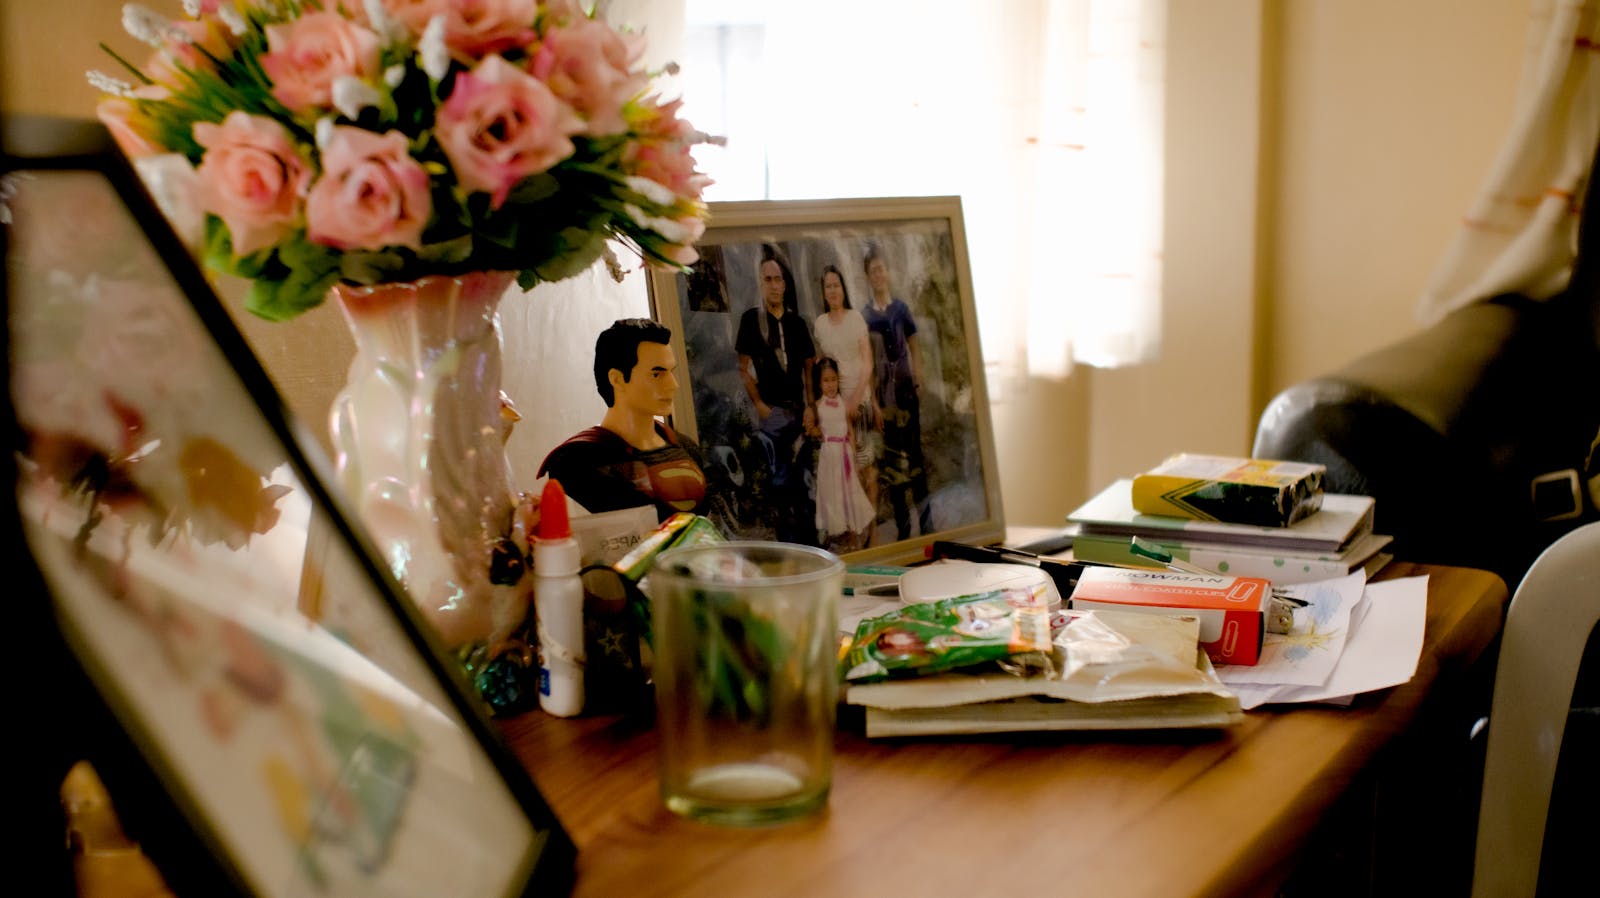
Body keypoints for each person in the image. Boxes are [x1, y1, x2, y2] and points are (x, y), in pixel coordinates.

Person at [537, 319, 708, 523]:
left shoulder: (685, 447)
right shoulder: (574, 461)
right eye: (656, 374)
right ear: (617, 379)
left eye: (671, 372)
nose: (673, 385)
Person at [734, 244, 816, 540]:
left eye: (778, 279)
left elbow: (809, 368)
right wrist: (759, 405)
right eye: (767, 279)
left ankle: (812, 546)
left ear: (785, 283)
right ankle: (789, 549)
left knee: (804, 482)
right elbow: (742, 368)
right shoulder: (751, 320)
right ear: (760, 283)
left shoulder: (797, 323)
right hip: (772, 413)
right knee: (779, 482)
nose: (774, 285)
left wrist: (810, 406)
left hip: (798, 411)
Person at [861, 242, 931, 540]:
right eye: (872, 271)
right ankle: (904, 529)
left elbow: (914, 344)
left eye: (881, 269)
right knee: (892, 465)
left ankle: (926, 525)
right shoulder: (865, 315)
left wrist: (917, 376)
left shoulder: (901, 309)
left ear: (887, 273)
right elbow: (867, 361)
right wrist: (874, 399)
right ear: (868, 277)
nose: (878, 275)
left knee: (915, 458)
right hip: (883, 397)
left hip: (905, 393)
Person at [811, 263, 881, 528]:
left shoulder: (855, 319)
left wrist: (860, 400)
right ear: (823, 291)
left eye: (836, 285)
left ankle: (872, 535)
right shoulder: (820, 324)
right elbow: (822, 366)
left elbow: (868, 364)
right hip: (834, 408)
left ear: (843, 288)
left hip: (857, 401)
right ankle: (853, 534)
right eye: (828, 286)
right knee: (843, 476)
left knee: (865, 471)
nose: (832, 290)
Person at [811, 357, 876, 552]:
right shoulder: (818, 405)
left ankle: (854, 537)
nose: (830, 385)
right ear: (819, 382)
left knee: (850, 494)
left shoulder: (843, 404)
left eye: (833, 380)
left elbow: (849, 431)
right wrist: (816, 432)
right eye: (826, 381)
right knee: (835, 496)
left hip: (844, 454)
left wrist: (854, 456)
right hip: (829, 457)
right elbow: (813, 429)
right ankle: (841, 536)